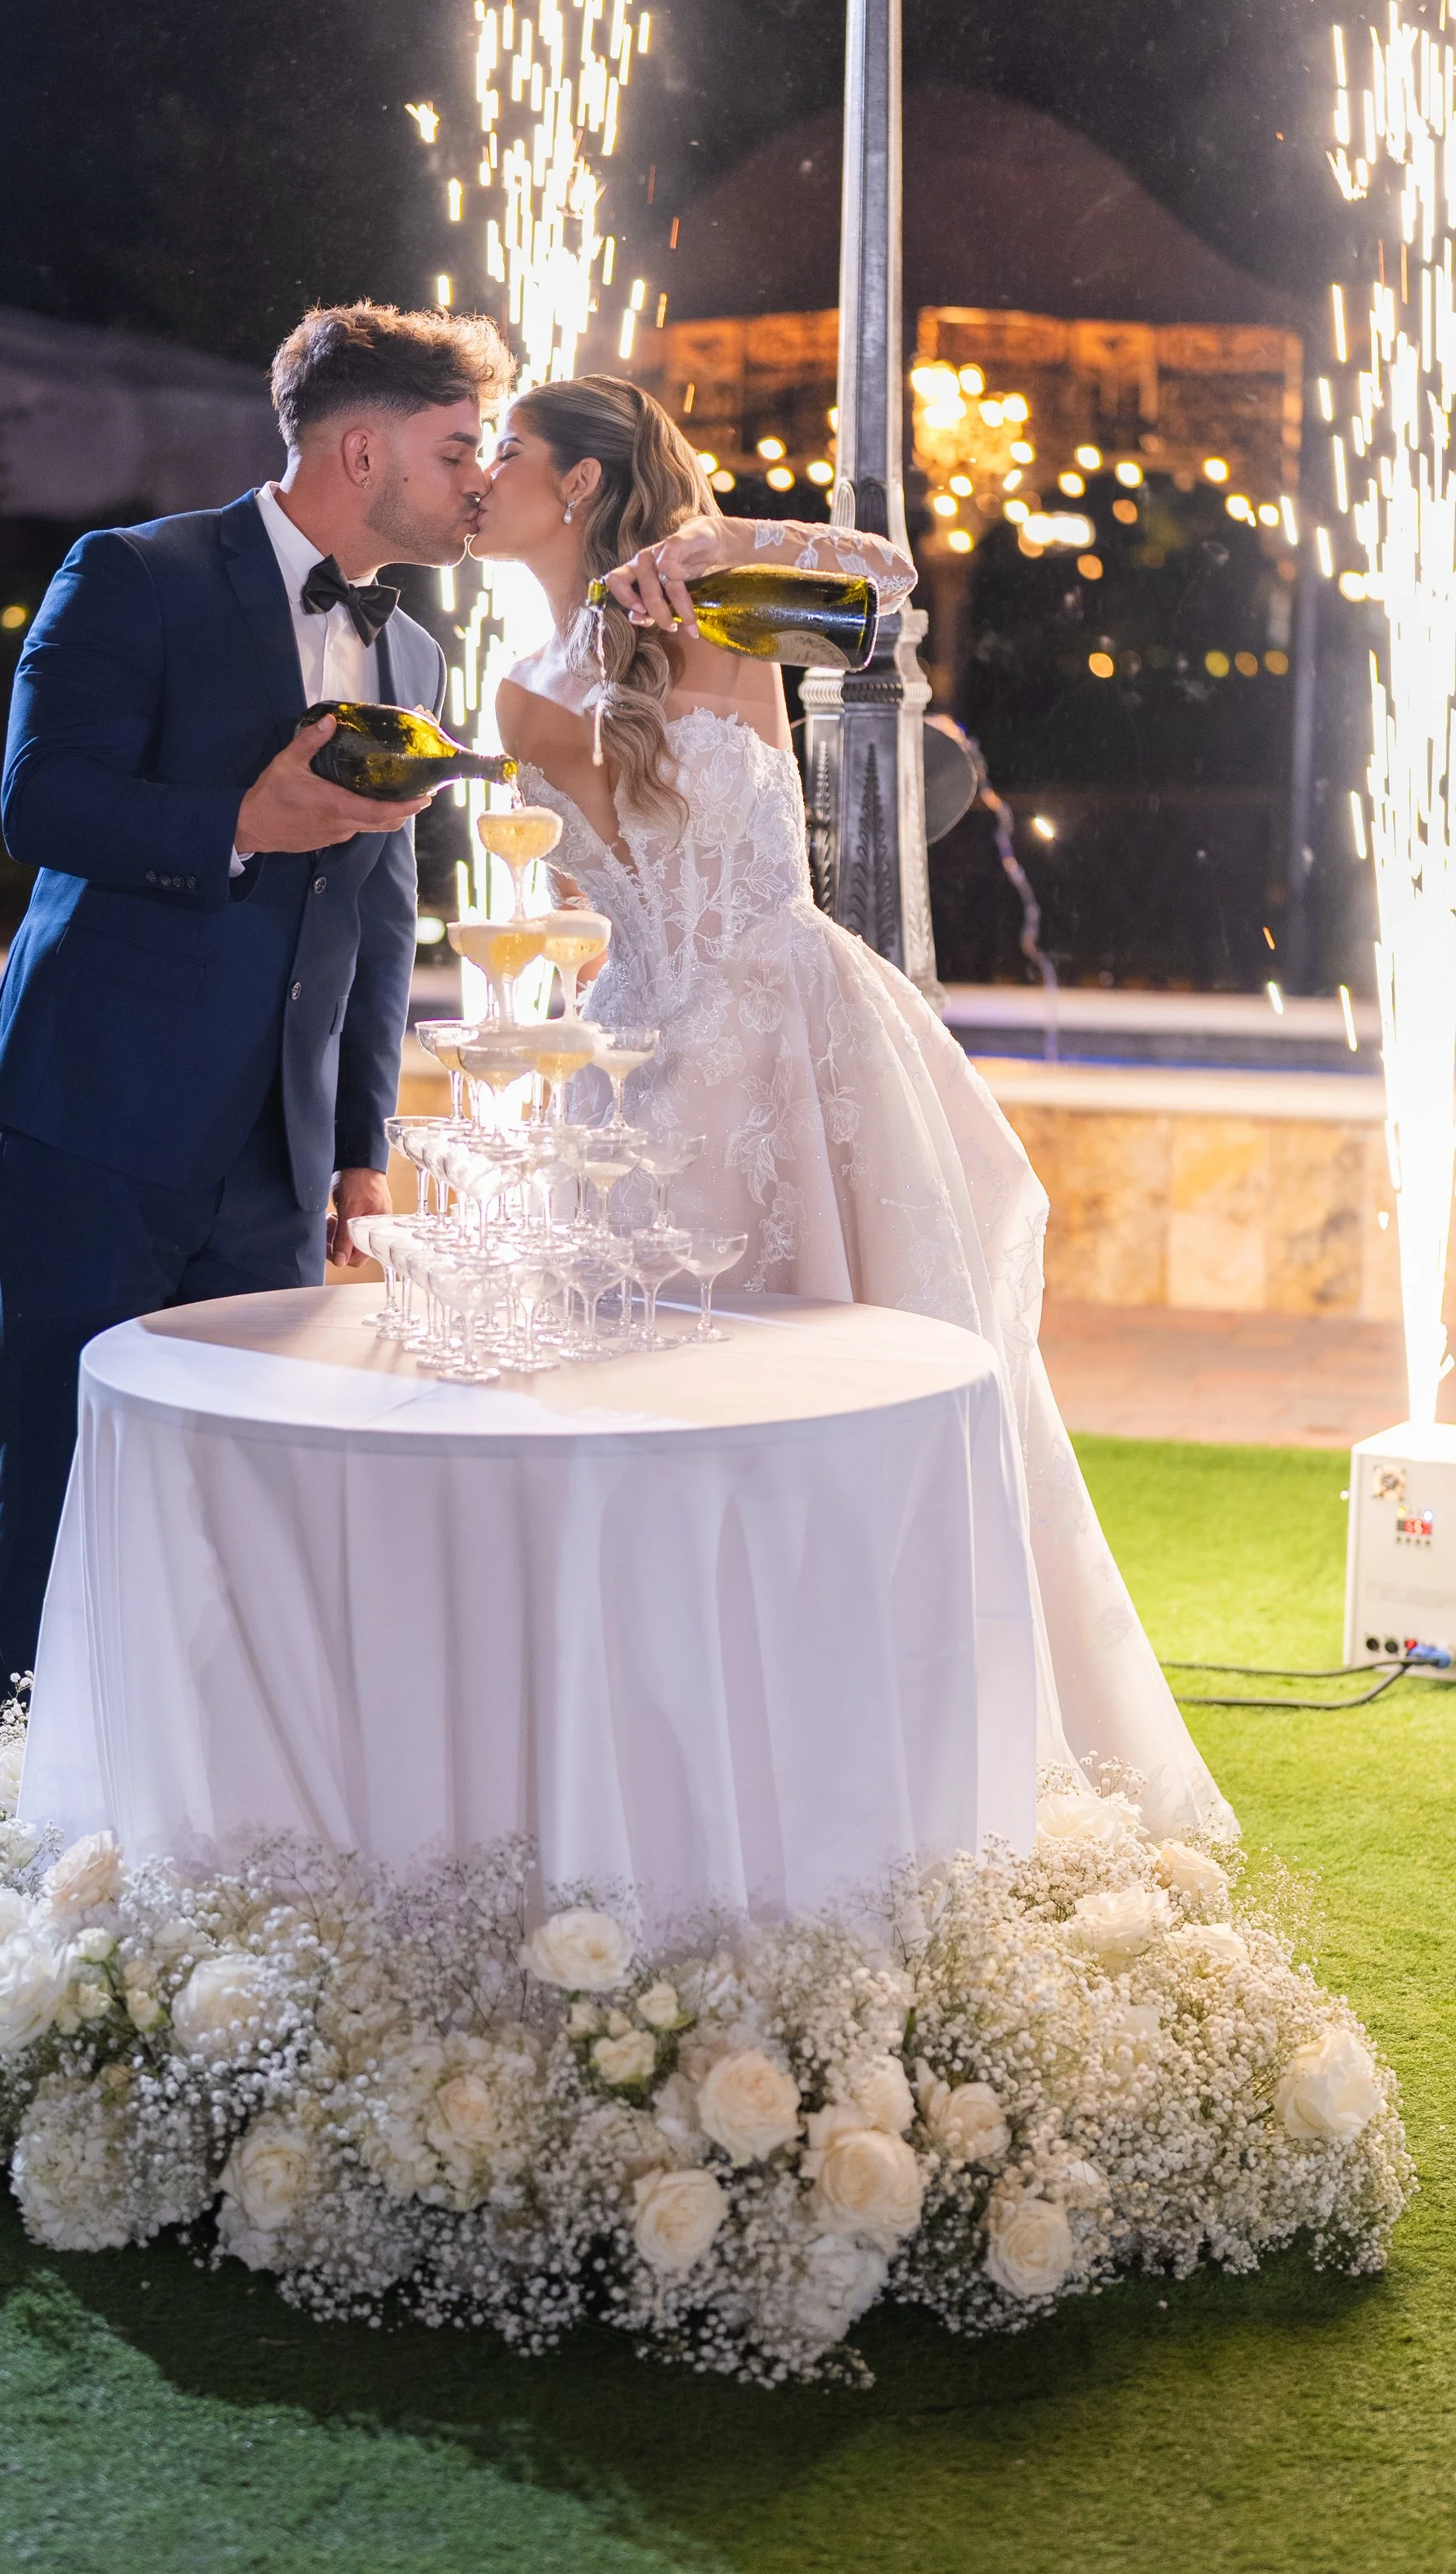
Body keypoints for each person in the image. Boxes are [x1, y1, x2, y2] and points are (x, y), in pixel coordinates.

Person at [469, 372, 1232, 1841]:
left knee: (845, 1378)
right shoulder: (520, 695)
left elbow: (886, 592)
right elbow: (590, 894)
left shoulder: (728, 602)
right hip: (635, 1053)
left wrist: (701, 544)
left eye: (506, 449)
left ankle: (901, 1747)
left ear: (576, 483)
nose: (481, 473)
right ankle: (680, 1751)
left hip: (792, 1037)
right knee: (648, 1406)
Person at [0, 302, 512, 1714]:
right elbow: (40, 802)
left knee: (247, 1490)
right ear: (359, 445)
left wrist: (357, 1139)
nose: (480, 482)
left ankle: (210, 1803)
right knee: (68, 1466)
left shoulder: (415, 657)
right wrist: (240, 818)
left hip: (279, 1153)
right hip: (98, 1115)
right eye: (459, 450)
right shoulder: (135, 576)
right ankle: (20, 1796)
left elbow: (386, 915)